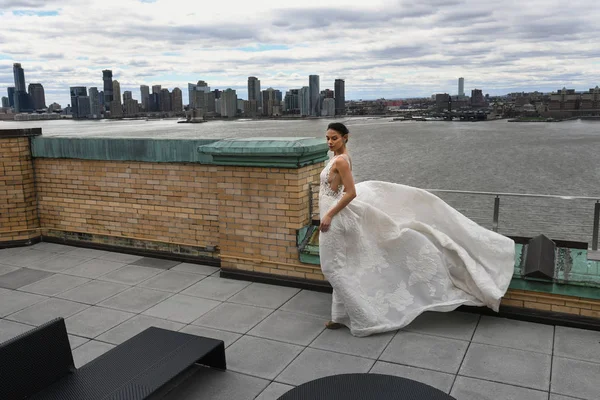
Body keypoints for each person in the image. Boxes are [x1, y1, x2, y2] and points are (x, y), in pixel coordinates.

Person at [318, 122, 515, 337]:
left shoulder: (341, 161)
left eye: (334, 138)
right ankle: (339, 316)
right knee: (342, 264)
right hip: (331, 216)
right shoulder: (335, 158)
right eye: (327, 137)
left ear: (345, 137)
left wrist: (329, 214)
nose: (329, 142)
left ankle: (365, 320)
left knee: (332, 268)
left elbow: (351, 192)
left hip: (334, 220)